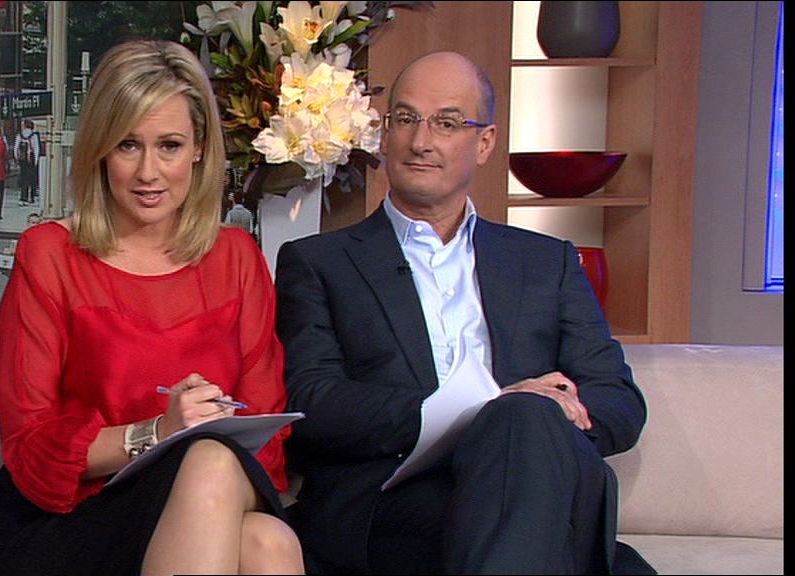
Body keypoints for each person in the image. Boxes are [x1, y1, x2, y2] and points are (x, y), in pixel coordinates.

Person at [274, 51, 651, 575]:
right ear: (385, 134)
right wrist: (484, 406)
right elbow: (313, 402)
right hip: (397, 498)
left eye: (447, 123)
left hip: (538, 481)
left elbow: (619, 401)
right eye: (406, 119)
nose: (420, 141)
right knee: (517, 423)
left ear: (486, 142)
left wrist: (542, 419)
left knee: (525, 421)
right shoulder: (319, 263)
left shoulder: (546, 262)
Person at [0, 40, 304, 576]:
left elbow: (267, 443)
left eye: (169, 145)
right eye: (128, 145)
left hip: (208, 501)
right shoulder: (49, 255)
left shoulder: (237, 257)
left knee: (266, 536)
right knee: (223, 478)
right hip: (71, 519)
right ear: (100, 149)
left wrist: (200, 451)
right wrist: (159, 431)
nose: (148, 172)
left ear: (199, 148)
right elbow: (29, 449)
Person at [13, 118, 41, 206]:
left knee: (23, 177)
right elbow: (36, 149)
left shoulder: (20, 135)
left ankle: (23, 197)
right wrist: (36, 160)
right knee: (32, 178)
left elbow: (16, 148)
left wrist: (16, 157)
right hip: (31, 158)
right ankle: (31, 197)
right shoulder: (34, 135)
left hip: (22, 159)